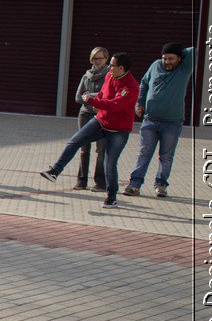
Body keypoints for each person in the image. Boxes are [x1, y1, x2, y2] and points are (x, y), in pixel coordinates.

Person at [40, 52, 139, 209]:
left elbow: (114, 105)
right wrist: (96, 100)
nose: (109, 68)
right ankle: (55, 171)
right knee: (75, 140)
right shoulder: (109, 76)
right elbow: (102, 94)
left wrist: (92, 100)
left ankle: (111, 196)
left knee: (109, 163)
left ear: (121, 68)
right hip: (100, 121)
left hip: (118, 130)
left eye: (112, 65)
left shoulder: (131, 86)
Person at [123, 42, 195, 198]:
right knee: (144, 153)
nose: (167, 62)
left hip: (172, 122)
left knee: (166, 156)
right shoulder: (156, 65)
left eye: (171, 58)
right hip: (150, 120)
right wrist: (140, 102)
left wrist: (179, 51)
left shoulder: (184, 68)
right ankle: (135, 185)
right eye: (164, 58)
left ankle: (161, 185)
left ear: (180, 58)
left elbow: (194, 50)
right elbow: (143, 83)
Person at [72, 47, 109, 191]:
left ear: (106, 59)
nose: (97, 61)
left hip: (101, 116)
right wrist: (95, 97)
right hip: (85, 114)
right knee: (83, 149)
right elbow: (77, 97)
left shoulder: (109, 76)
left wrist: (89, 95)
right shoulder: (86, 76)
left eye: (100, 58)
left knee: (101, 150)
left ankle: (100, 182)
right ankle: (81, 181)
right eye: (94, 58)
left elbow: (106, 96)